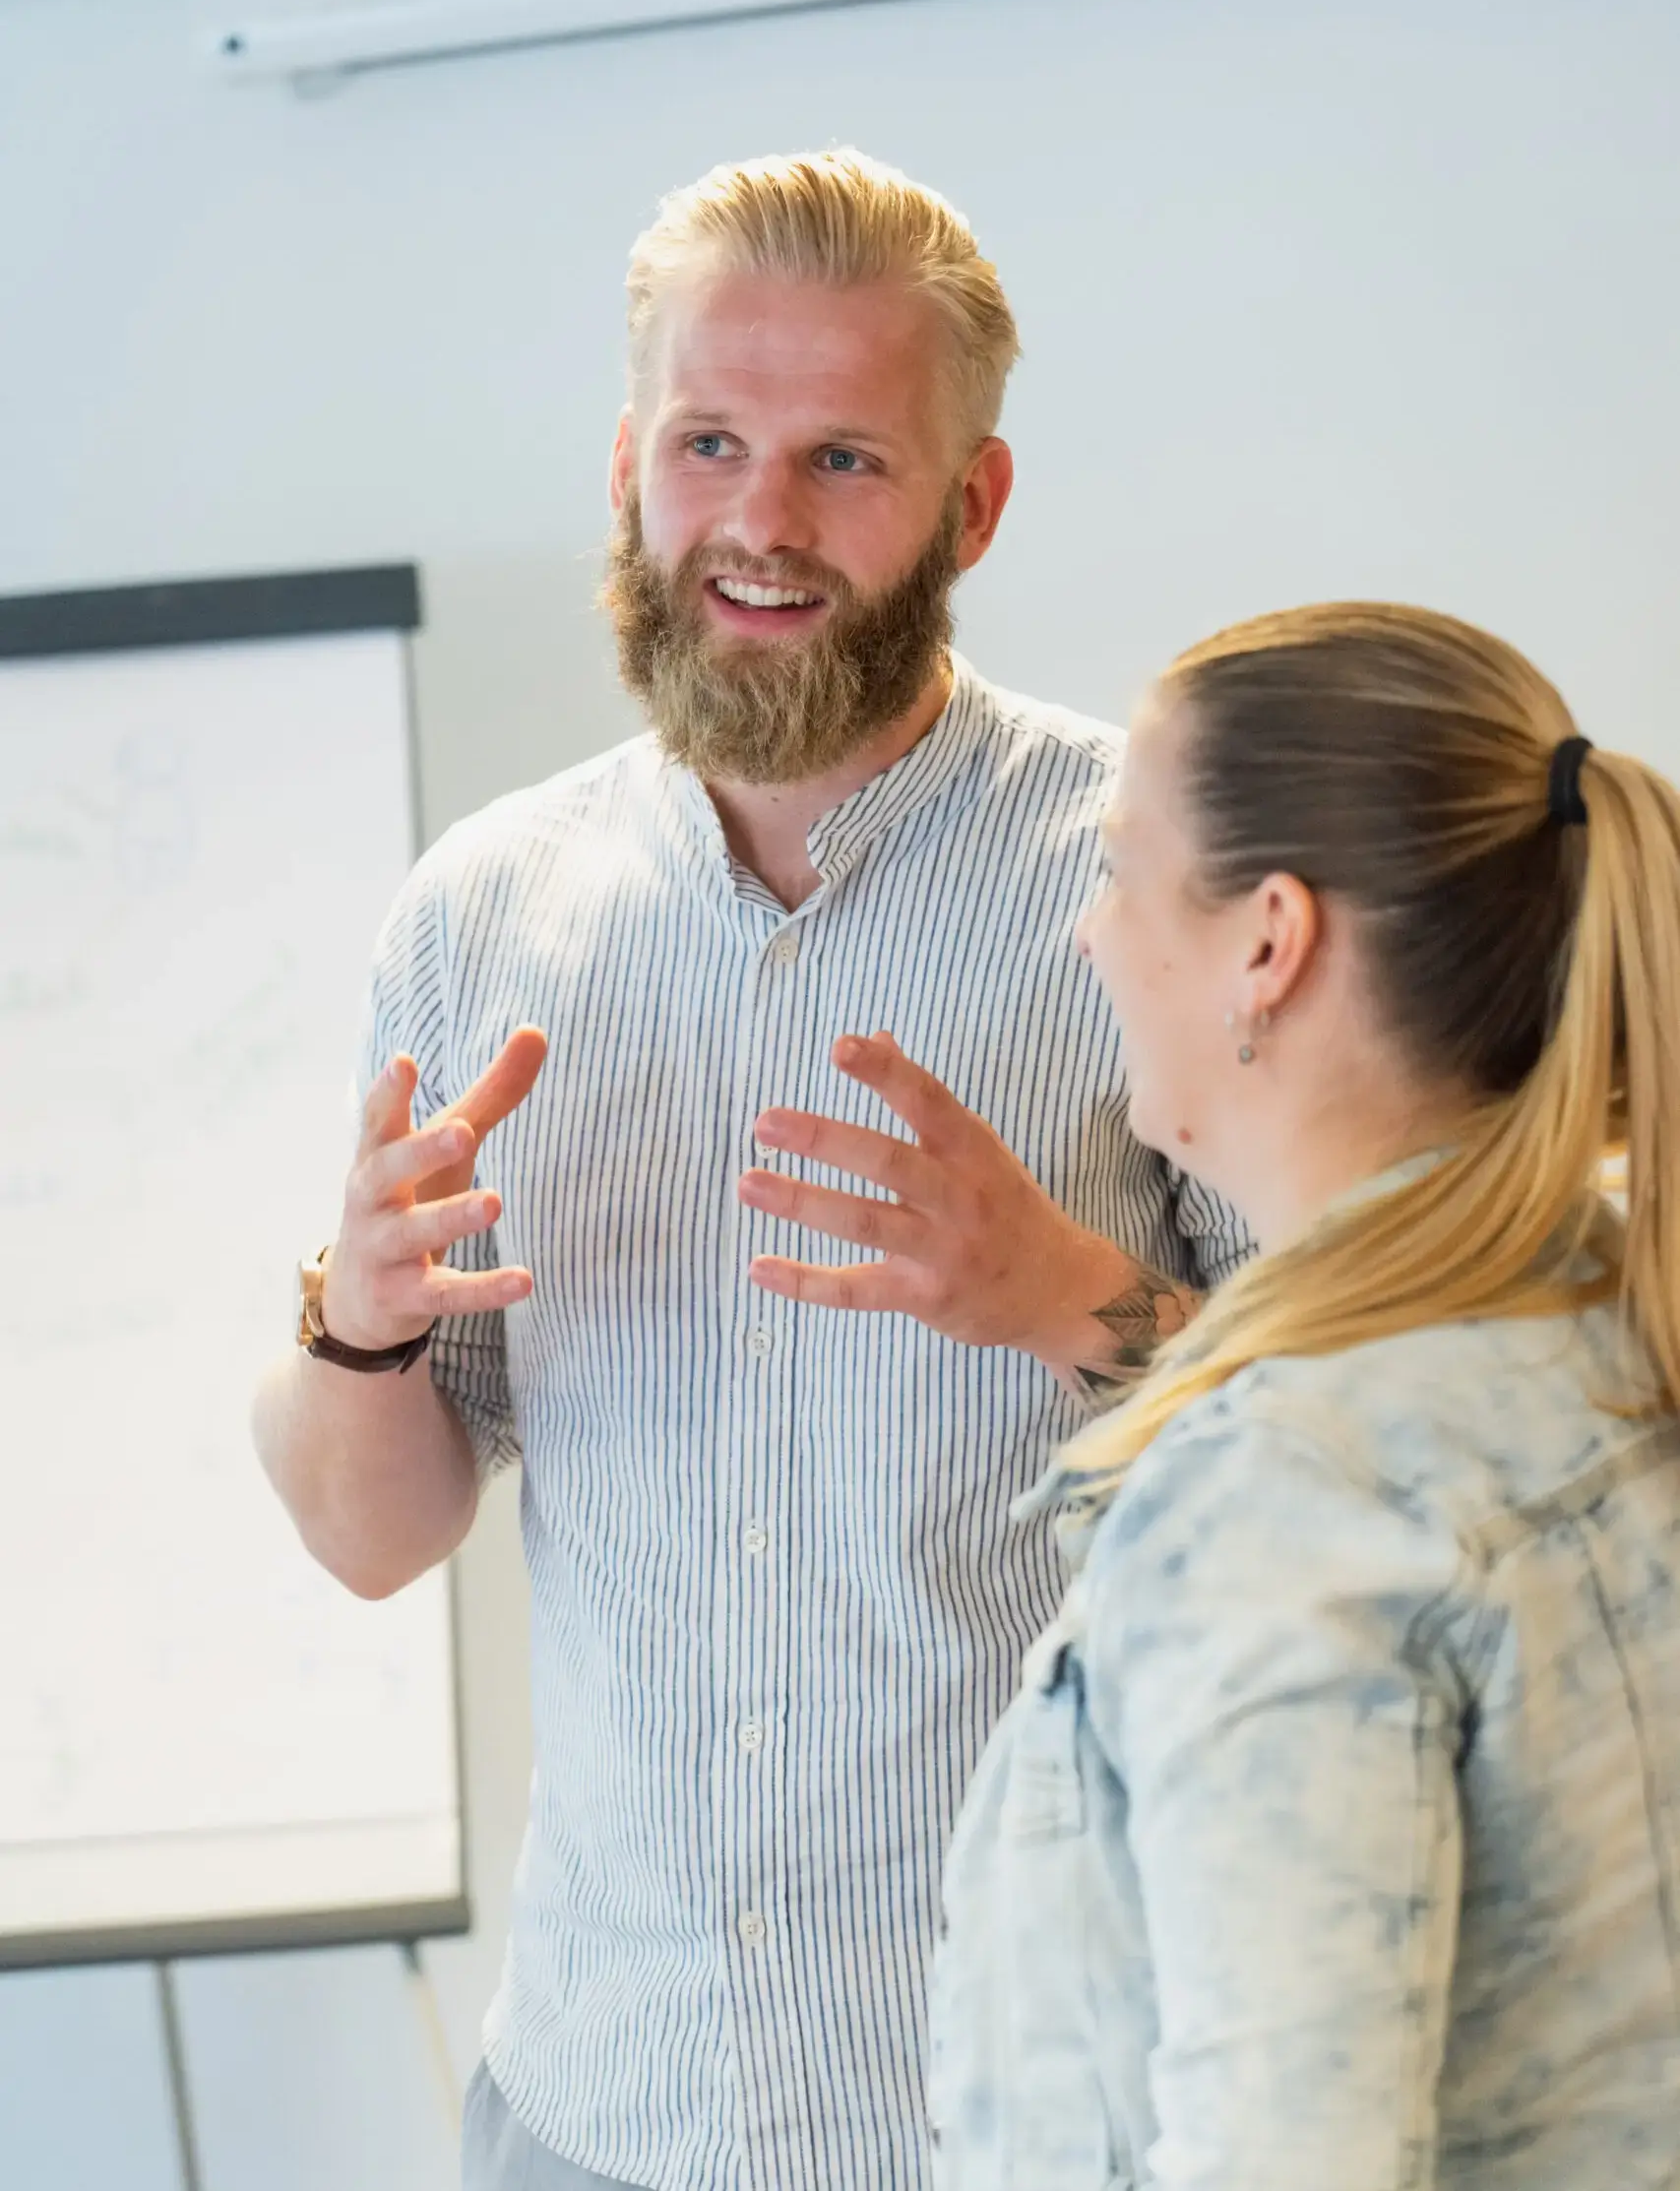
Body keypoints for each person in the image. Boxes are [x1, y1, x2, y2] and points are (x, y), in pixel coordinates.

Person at [251, 149, 1249, 2191]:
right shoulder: (481, 913)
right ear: (632, 461)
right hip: (606, 2104)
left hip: (1039, 2110)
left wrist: (1068, 1295)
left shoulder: (1151, 879)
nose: (761, 524)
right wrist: (353, 1328)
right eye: (710, 442)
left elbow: (1379, 1441)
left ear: (970, 503)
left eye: (845, 460)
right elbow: (372, 1536)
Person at [929, 599, 1680, 2190]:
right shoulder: (1622, 1307)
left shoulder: (1287, 1490)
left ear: (1268, 941)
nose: (1090, 931)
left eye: (1120, 871)